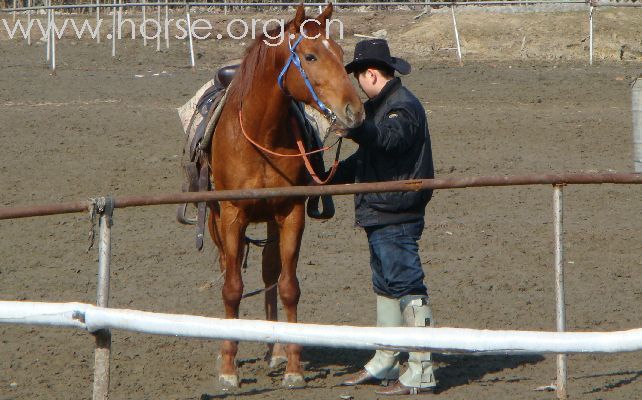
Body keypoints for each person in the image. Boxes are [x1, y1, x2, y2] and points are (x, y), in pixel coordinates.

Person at [332, 39, 437, 396]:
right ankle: (387, 359)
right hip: (382, 210)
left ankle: (421, 369)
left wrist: (356, 129)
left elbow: (389, 141)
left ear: (371, 74)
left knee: (406, 282)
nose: (358, 86)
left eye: (359, 78)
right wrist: (328, 176)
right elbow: (370, 159)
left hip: (395, 212)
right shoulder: (384, 106)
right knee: (386, 284)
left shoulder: (401, 107)